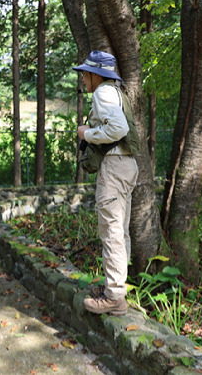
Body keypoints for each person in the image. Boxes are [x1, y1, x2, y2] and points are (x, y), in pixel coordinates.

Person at [73, 51, 138, 316]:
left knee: (111, 230)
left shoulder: (103, 93)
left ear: (95, 75)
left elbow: (118, 129)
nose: (83, 80)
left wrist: (86, 133)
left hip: (114, 166)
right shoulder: (117, 92)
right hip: (126, 165)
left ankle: (114, 297)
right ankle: (116, 289)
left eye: (85, 74)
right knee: (120, 230)